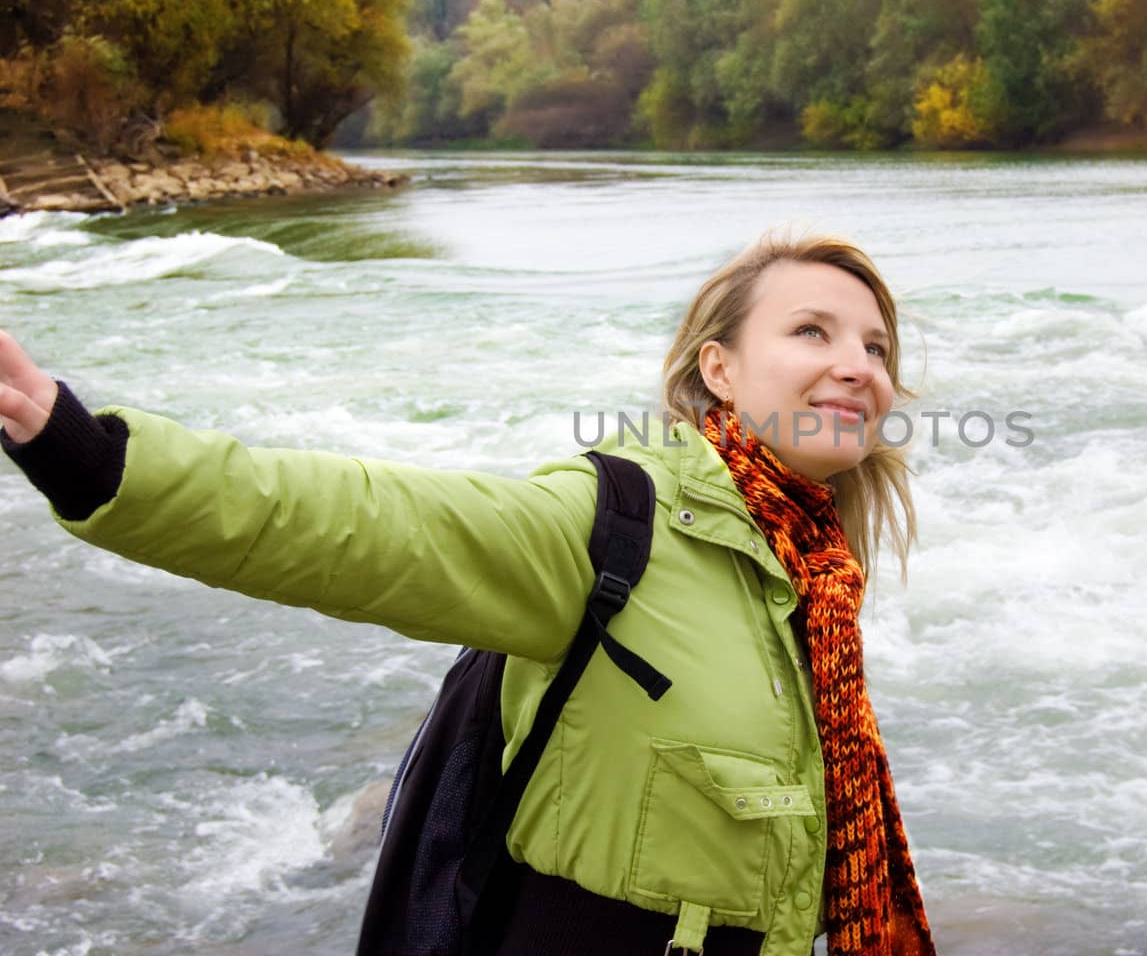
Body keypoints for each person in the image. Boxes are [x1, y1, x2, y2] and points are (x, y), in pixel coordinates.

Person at [0, 231, 938, 956]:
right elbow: (365, 526)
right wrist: (89, 457)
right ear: (719, 370)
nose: (859, 364)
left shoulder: (813, 576)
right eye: (811, 330)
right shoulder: (614, 521)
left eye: (875, 345)